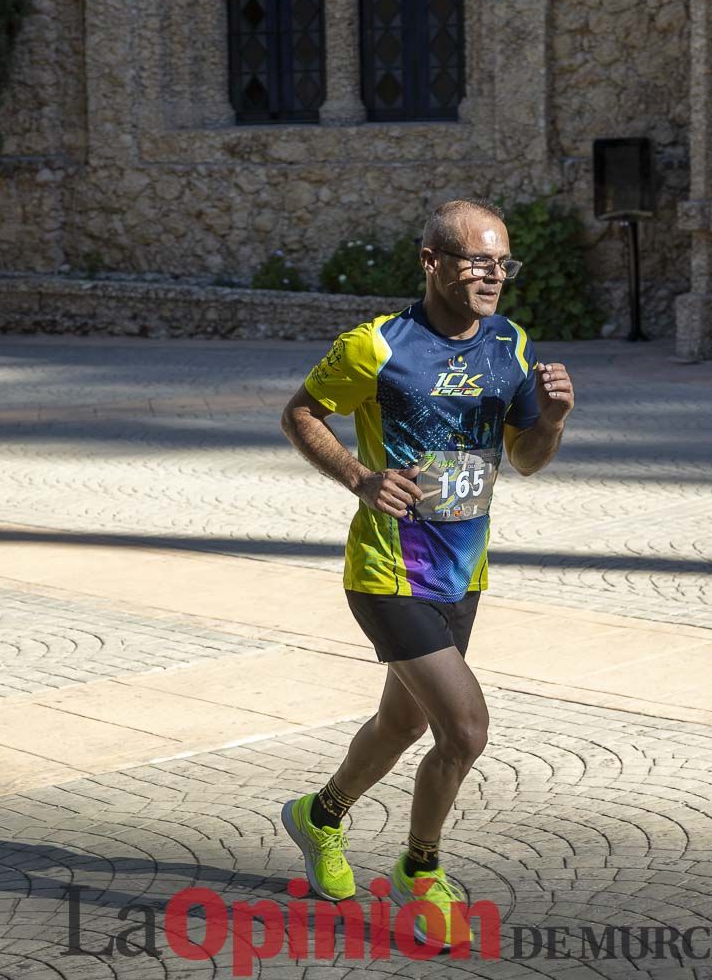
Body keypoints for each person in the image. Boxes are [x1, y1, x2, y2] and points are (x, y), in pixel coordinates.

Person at [279, 198, 574, 947]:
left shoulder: (509, 345)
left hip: (461, 574)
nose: (493, 275)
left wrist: (553, 422)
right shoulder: (378, 347)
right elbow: (301, 414)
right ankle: (420, 871)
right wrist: (358, 476)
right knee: (465, 730)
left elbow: (526, 461)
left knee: (402, 722)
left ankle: (320, 817)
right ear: (432, 261)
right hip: (388, 570)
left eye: (502, 262)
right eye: (478, 259)